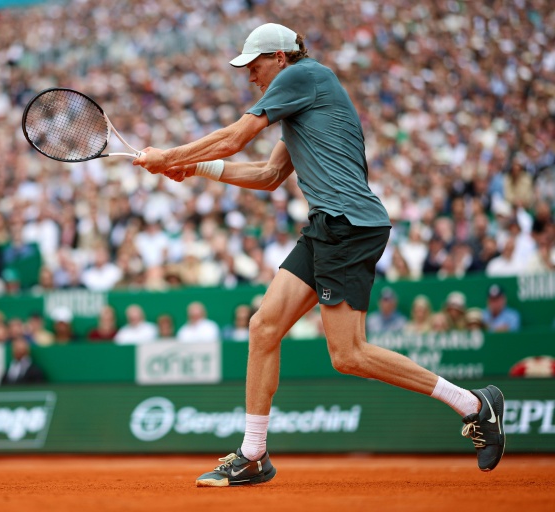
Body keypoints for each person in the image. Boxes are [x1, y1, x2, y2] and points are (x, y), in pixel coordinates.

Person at [134, 23, 504, 485]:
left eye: (254, 65)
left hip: (349, 226)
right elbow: (269, 175)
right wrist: (196, 168)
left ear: (280, 57)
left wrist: (169, 156)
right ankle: (253, 455)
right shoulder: (300, 99)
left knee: (348, 354)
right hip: (326, 226)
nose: (250, 75)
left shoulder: (302, 75)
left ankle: (473, 403)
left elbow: (235, 137)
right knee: (264, 327)